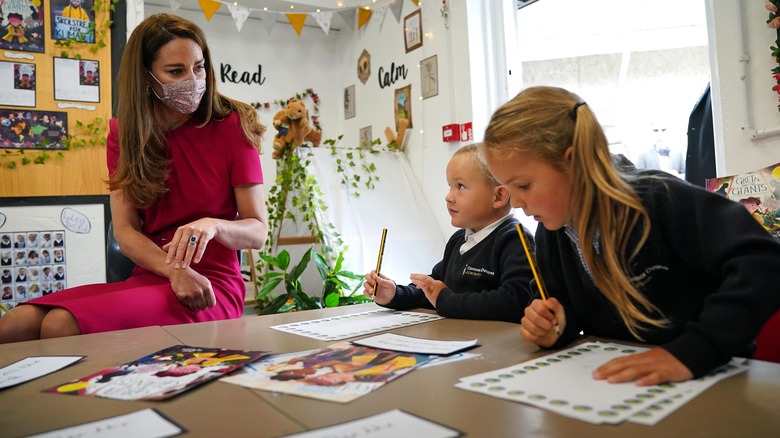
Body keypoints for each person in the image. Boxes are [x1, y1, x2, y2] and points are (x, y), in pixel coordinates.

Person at [481, 86, 780, 386]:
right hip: (624, 385)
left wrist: (696, 349)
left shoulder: (660, 199)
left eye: (523, 185)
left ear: (571, 163)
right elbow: (571, 311)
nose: (516, 203)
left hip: (712, 383)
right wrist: (555, 325)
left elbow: (763, 261)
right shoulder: (552, 232)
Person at [0, 13, 268, 343]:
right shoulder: (124, 133)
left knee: (60, 325)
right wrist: (174, 269)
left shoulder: (231, 123)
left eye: (199, 67)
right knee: (14, 324)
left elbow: (257, 231)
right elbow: (126, 231)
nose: (193, 80)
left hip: (210, 283)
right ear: (146, 77)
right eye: (176, 71)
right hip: (156, 274)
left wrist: (214, 225)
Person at [363, 143, 534, 323]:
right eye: (449, 186)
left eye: (460, 186)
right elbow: (432, 289)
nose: (448, 196)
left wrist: (445, 300)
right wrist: (395, 294)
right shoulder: (458, 241)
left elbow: (516, 301)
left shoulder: (515, 240)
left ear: (498, 197)